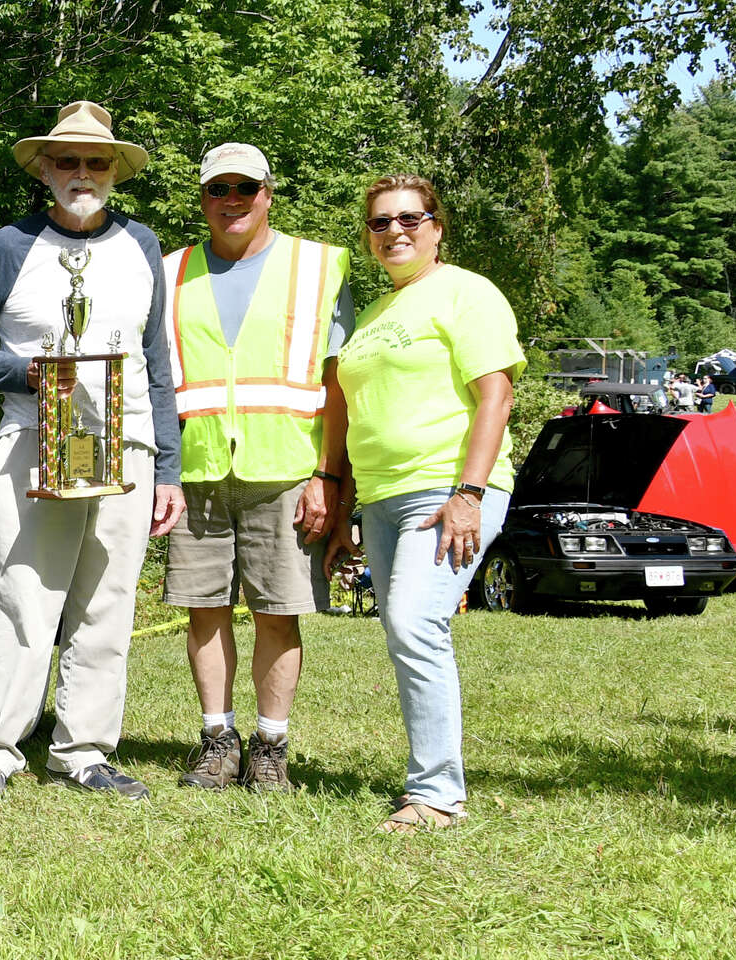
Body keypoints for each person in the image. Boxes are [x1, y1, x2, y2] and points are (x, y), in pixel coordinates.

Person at [0, 100, 185, 803]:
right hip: (33, 444)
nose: (83, 173)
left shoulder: (141, 246)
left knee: (108, 603)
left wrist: (168, 467)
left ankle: (84, 751)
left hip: (127, 445)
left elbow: (158, 362)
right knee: (24, 596)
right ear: (44, 168)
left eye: (97, 161)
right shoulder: (10, 245)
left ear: (115, 171)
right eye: (68, 160)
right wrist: (31, 376)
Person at [325, 174, 525, 833]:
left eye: (410, 218)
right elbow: (354, 417)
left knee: (414, 623)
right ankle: (431, 782)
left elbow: (496, 396)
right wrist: (343, 510)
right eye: (379, 223)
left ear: (437, 227)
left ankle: (437, 796)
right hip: (381, 499)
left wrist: (468, 492)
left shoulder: (467, 293)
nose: (394, 232)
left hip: (447, 490)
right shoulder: (375, 315)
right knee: (403, 628)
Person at [161, 143, 353, 792]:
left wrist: (329, 478)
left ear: (270, 192)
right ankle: (217, 741)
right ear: (204, 199)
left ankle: (270, 750)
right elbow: (159, 383)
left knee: (278, 613)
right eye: (219, 188)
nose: (233, 198)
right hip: (198, 469)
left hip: (288, 471)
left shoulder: (318, 267)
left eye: (247, 186)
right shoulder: (170, 273)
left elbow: (337, 386)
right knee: (203, 611)